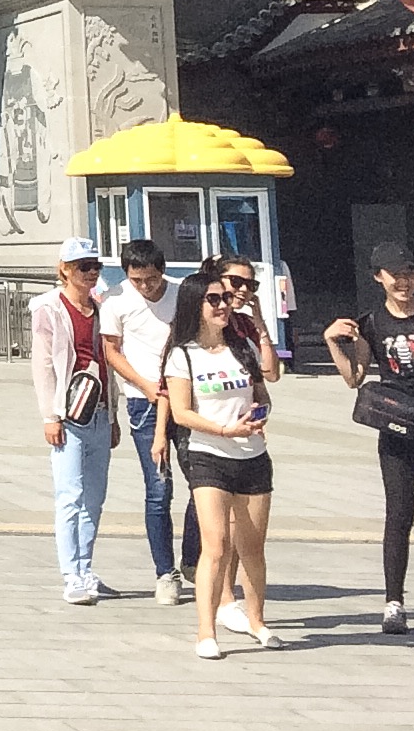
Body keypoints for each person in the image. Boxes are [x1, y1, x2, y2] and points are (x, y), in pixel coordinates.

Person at [323, 241, 414, 635]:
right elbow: (354, 377)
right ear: (378, 277)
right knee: (399, 515)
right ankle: (394, 602)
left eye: (409, 274)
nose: (404, 281)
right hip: (398, 426)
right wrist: (333, 341)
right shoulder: (371, 323)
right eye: (395, 275)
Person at [163, 267, 281, 655]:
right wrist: (224, 430)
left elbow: (263, 394)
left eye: (226, 299)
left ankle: (257, 621)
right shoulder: (183, 355)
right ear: (195, 306)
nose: (223, 306)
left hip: (252, 456)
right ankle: (206, 632)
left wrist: (258, 416)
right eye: (213, 299)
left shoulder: (242, 348)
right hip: (208, 456)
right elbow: (181, 412)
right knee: (215, 546)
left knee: (253, 548)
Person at [100, 237, 190, 603]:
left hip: (185, 394)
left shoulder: (182, 294)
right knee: (158, 488)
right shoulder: (116, 299)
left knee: (203, 481)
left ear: (162, 271)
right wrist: (144, 385)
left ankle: (193, 557)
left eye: (151, 279)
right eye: (136, 279)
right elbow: (111, 350)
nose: (145, 287)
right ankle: (165, 572)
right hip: (144, 402)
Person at [31, 240, 114, 605]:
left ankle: (85, 567)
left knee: (94, 499)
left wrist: (114, 415)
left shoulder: (101, 309)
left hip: (100, 412)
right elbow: (43, 365)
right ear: (63, 269)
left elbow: (108, 364)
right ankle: (71, 574)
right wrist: (50, 416)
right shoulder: (49, 308)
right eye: (83, 266)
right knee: (70, 496)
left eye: (95, 265)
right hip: (68, 416)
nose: (91, 272)